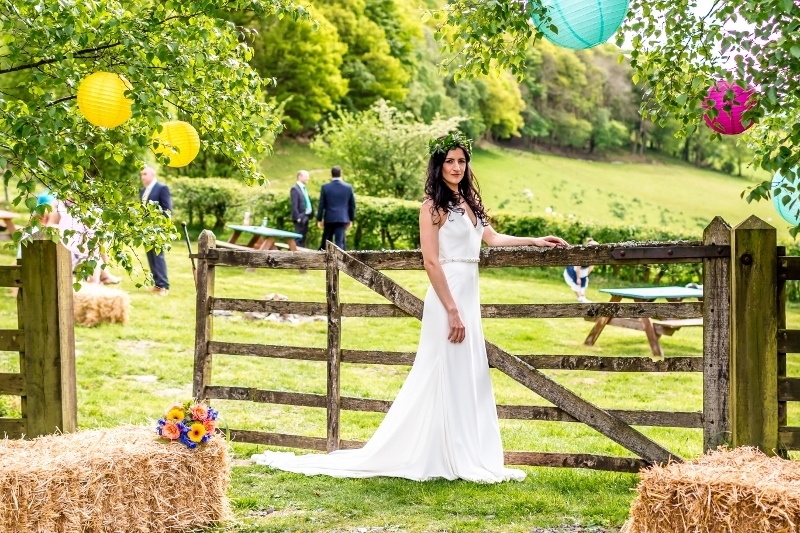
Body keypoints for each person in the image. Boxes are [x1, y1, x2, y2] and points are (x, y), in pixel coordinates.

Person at [252, 131, 568, 482]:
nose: (456, 167)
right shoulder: (431, 207)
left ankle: (463, 452)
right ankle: (436, 454)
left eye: (462, 161)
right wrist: (451, 310)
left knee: (467, 372)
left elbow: (491, 239)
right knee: (442, 369)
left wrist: (535, 241)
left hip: (469, 293)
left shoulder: (469, 201)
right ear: (438, 165)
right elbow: (431, 262)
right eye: (449, 161)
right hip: (448, 296)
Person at [139, 165, 172, 296]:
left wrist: (159, 226)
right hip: (145, 229)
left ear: (153, 175)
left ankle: (164, 286)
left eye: (145, 174)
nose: (142, 177)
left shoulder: (162, 188)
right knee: (151, 256)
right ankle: (157, 284)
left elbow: (167, 209)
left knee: (158, 257)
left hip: (157, 228)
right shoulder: (143, 191)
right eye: (141, 174)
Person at [317, 166, 355, 250]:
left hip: (329, 218)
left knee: (326, 241)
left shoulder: (325, 187)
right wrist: (351, 219)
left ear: (331, 175)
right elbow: (352, 205)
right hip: (342, 218)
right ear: (341, 174)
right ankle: (341, 261)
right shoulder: (348, 187)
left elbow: (321, 204)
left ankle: (324, 260)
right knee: (340, 242)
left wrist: (319, 219)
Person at [563, 237, 598, 303]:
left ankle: (582, 296)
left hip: (583, 270)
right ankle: (580, 297)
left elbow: (591, 267)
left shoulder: (594, 257)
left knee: (584, 282)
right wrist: (578, 278)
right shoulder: (582, 255)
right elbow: (577, 268)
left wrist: (585, 275)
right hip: (573, 268)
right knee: (576, 282)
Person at [290, 170, 313, 248]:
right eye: (306, 176)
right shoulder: (295, 189)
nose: (308, 179)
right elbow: (294, 205)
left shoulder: (304, 188)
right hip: (299, 218)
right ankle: (295, 257)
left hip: (306, 217)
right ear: (299, 177)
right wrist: (297, 218)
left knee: (303, 239)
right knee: (298, 238)